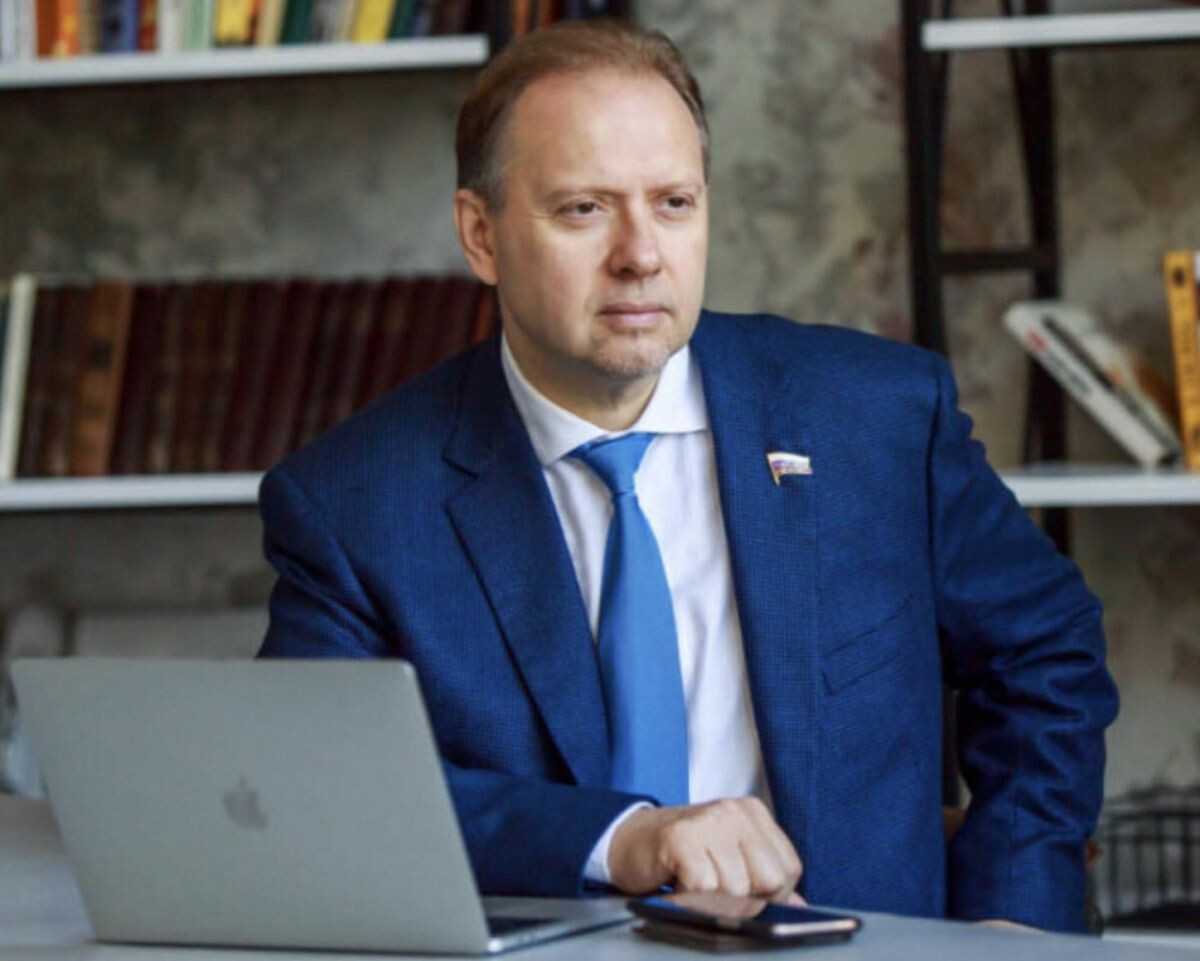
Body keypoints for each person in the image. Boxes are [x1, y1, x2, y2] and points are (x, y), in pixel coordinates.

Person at [257, 20, 1118, 933]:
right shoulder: (355, 503)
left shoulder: (877, 419)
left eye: (673, 202)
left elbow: (1046, 650)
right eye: (584, 209)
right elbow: (318, 785)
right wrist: (620, 838)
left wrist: (1014, 922)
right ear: (481, 234)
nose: (641, 253)